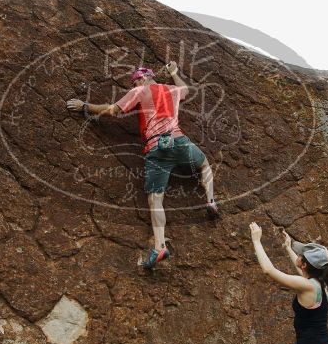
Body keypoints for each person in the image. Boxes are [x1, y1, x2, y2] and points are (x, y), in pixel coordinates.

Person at [66, 62, 219, 269]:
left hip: (156, 148)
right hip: (179, 141)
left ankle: (160, 246)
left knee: (156, 199)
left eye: (135, 79)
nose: (134, 82)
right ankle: (210, 201)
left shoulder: (139, 91)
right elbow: (185, 89)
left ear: (143, 78)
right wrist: (174, 72)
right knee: (204, 165)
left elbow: (112, 110)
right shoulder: (172, 90)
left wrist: (85, 106)